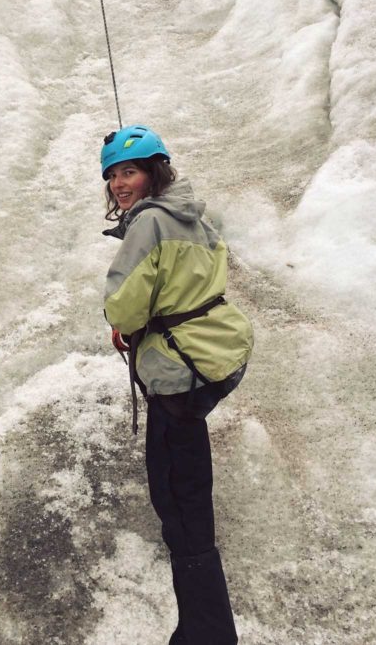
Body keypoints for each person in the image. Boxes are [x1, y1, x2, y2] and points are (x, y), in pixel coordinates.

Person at [101, 124, 253, 645]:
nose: (121, 184)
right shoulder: (192, 217)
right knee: (187, 477)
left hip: (176, 370)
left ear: (154, 172)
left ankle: (207, 633)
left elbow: (123, 303)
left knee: (180, 498)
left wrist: (126, 323)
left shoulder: (148, 224)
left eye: (131, 171)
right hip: (211, 355)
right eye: (114, 175)